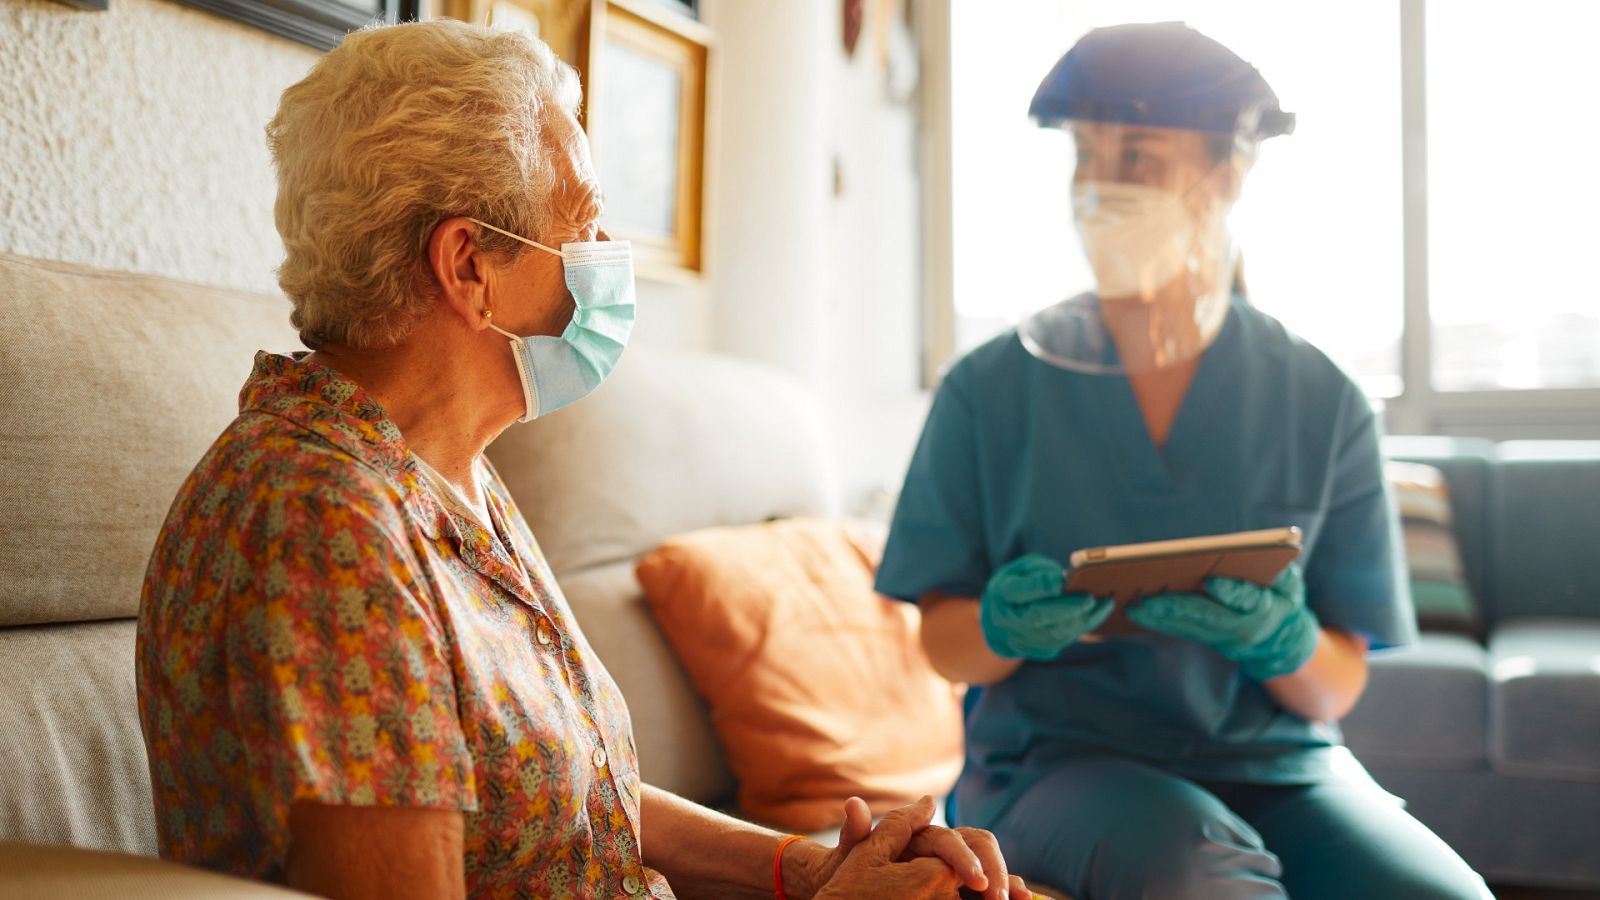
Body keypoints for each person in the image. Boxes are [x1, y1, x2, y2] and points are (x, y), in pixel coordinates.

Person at [135, 20, 1034, 900]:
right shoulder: (318, 524)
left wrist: (810, 869)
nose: (609, 261)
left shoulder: (449, 471)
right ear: (468, 266)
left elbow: (570, 794)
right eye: (588, 224)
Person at [875, 22, 1491, 900]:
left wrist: (1281, 642)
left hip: (1283, 767)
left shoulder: (1325, 399)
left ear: (1227, 176)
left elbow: (1335, 688)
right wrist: (1001, 630)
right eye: (1085, 157)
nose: (1100, 188)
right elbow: (944, 641)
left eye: (1138, 158)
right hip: (1058, 766)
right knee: (1198, 873)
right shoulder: (989, 387)